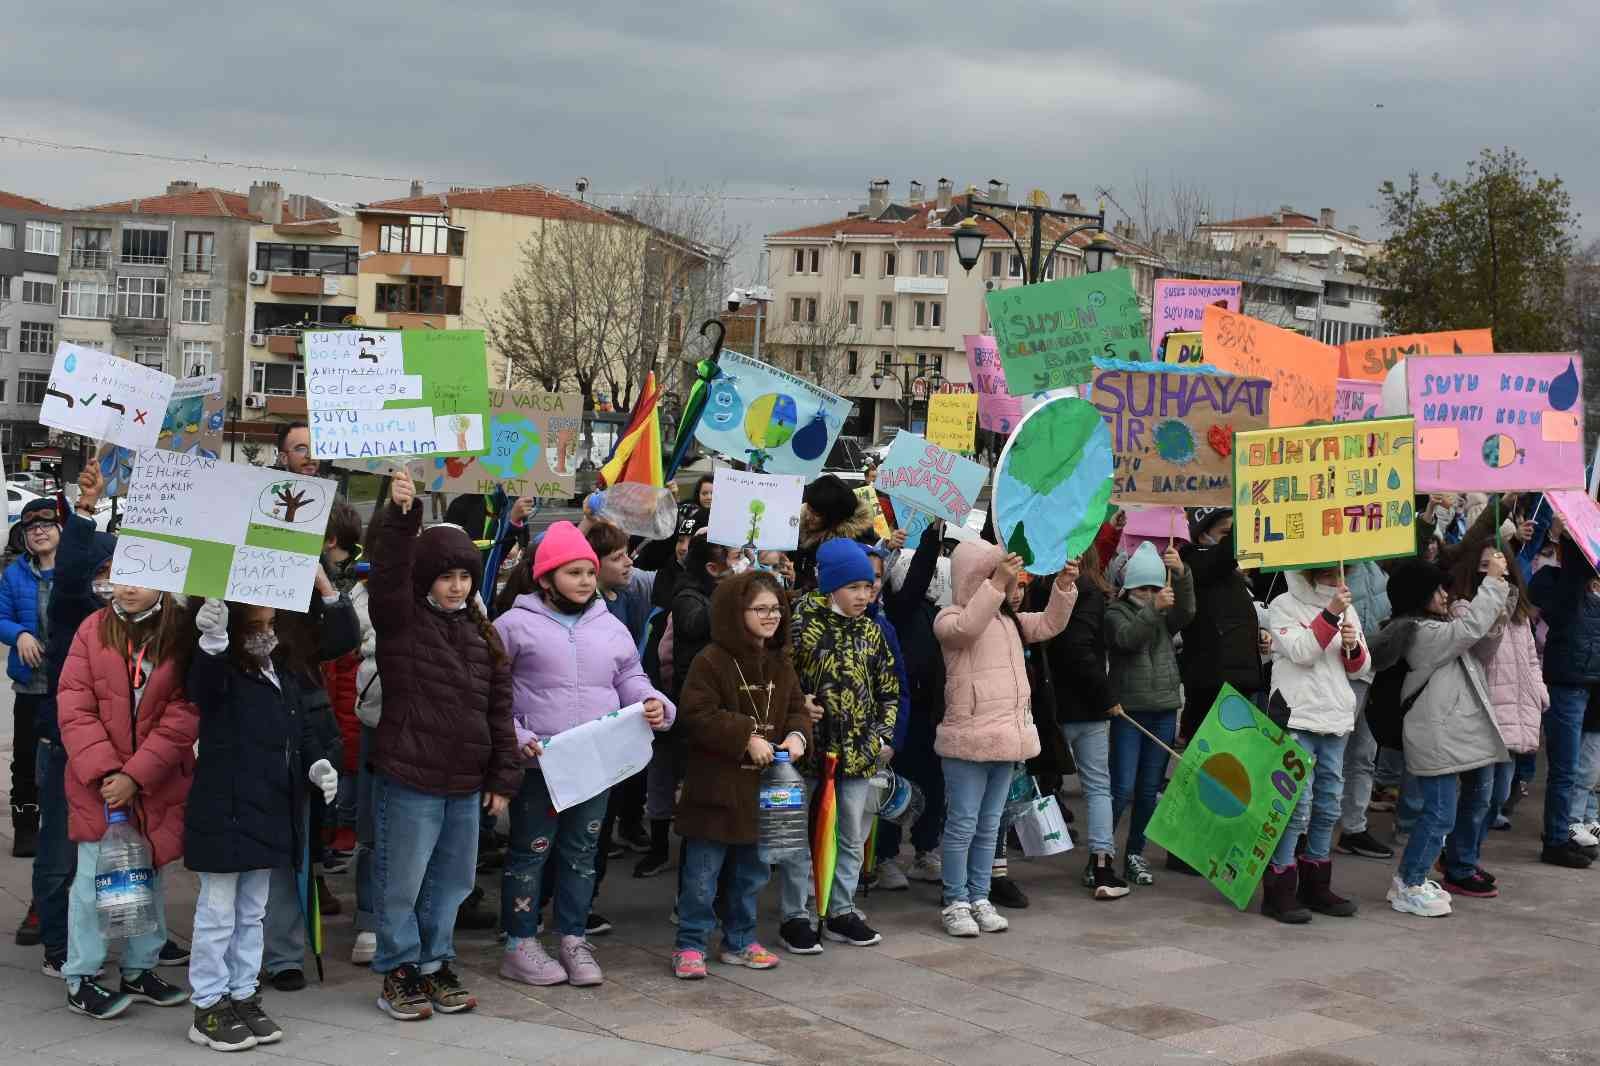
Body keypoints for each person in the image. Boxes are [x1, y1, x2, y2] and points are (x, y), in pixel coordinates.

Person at [367, 472, 522, 1020]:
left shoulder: (484, 633)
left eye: (464, 577)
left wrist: (503, 777)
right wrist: (400, 516)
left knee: (452, 882)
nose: (456, 587)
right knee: (402, 880)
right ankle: (399, 970)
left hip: (466, 782)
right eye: (445, 577)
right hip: (410, 776)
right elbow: (388, 574)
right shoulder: (402, 620)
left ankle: (435, 963)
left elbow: (499, 711)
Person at [494, 522, 672, 988]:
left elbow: (630, 677)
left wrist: (652, 702)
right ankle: (519, 942)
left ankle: (572, 938)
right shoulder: (511, 626)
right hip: (539, 766)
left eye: (589, 572)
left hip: (594, 765)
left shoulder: (609, 625)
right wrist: (515, 734)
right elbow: (491, 692)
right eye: (573, 573)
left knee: (581, 853)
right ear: (545, 578)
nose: (585, 581)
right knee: (530, 852)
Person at [183, 597, 339, 1051]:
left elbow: (298, 727)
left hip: (269, 806)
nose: (267, 614)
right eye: (256, 611)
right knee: (218, 912)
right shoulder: (221, 662)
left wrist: (316, 764)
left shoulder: (278, 664)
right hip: (226, 808)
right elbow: (204, 692)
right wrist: (212, 643)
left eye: (270, 613)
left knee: (252, 912)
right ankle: (208, 1004)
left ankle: (243, 993)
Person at [56, 581, 197, 1019]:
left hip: (155, 782)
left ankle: (140, 969)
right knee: (92, 882)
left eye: (142, 578)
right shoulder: (93, 628)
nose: (129, 588)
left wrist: (137, 775)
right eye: (122, 577)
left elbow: (185, 712)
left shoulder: (180, 632)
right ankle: (81, 976)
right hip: (97, 783)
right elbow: (74, 706)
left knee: (148, 876)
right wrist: (109, 773)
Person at [671, 571, 812, 978]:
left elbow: (796, 708)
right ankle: (691, 944)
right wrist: (745, 736)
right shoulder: (711, 660)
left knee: (752, 874)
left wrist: (798, 735)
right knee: (703, 876)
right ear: (736, 613)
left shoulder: (780, 662)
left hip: (763, 791)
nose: (771, 616)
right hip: (715, 791)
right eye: (760, 609)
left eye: (776, 608)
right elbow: (696, 714)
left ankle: (740, 940)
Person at [933, 542, 1076, 936]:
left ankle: (980, 896)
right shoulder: (950, 617)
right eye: (991, 575)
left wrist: (1064, 585)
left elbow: (1050, 623)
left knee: (989, 824)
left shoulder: (1010, 622)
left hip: (1007, 741)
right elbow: (966, 630)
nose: (1008, 585)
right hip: (966, 740)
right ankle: (955, 900)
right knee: (962, 824)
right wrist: (996, 583)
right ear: (971, 578)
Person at [1375, 553, 1510, 917]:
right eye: (1437, 589)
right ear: (1418, 595)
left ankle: (1419, 877)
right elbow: (1466, 632)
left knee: (1453, 809)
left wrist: (1497, 605)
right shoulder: (1418, 633)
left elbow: (1479, 644)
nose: (1445, 595)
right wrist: (1491, 584)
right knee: (1439, 815)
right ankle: (1409, 883)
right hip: (1436, 737)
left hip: (1455, 733)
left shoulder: (1438, 626)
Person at [23, 469, 119, 973]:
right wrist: (84, 512)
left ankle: (132, 939)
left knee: (121, 851)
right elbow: (72, 567)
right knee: (61, 849)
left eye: (116, 571)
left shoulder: (131, 617)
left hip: (121, 750)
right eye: (101, 571)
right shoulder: (70, 607)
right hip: (67, 744)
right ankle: (58, 946)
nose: (110, 581)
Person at [783, 538, 899, 950]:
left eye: (868, 587)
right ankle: (796, 914)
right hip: (808, 754)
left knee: (851, 835)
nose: (864, 595)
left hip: (858, 755)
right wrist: (800, 705)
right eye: (854, 587)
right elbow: (781, 677)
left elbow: (888, 690)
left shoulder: (872, 631)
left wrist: (881, 736)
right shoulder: (800, 623)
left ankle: (841, 911)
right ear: (831, 586)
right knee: (800, 836)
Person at [1260, 567, 1371, 923]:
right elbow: (1302, 652)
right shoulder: (1283, 604)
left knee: (1328, 804)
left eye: (1340, 572)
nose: (1336, 579)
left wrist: (1353, 647)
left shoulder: (1347, 607)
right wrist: (1332, 613)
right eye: (1326, 573)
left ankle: (1316, 885)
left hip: (1335, 717)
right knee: (1297, 806)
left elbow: (1360, 669)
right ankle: (1279, 888)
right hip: (1296, 716)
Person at [1448, 541, 1545, 893]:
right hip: (1483, 713)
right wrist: (1494, 599)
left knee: (1499, 795)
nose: (1491, 569)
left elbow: (1531, 658)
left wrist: (1539, 693)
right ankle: (1460, 864)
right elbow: (1480, 648)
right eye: (1484, 565)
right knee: (1479, 795)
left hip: (1514, 712)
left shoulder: (1518, 611)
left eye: (1497, 563)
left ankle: (1463, 855)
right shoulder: (1464, 607)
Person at [635, 535, 734, 878]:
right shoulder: (687, 596)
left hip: (703, 704)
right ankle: (661, 848)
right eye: (734, 557)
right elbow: (695, 626)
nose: (739, 563)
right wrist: (730, 594)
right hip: (676, 703)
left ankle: (695, 854)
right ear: (711, 567)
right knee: (665, 777)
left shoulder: (710, 590)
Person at [1103, 540, 1194, 887]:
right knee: (1121, 787)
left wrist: (1181, 575)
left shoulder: (1162, 613)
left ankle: (1135, 853)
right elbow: (1128, 639)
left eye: (1156, 587)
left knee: (1148, 789)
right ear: (1129, 587)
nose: (1151, 593)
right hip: (1129, 712)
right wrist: (1154, 608)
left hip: (1164, 708)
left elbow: (1187, 612)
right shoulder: (1115, 613)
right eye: (1143, 587)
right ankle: (1102, 853)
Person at [1044, 544, 1129, 899]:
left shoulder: (1043, 587)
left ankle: (994, 866)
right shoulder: (1089, 592)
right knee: (1097, 786)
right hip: (1086, 705)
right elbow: (1079, 650)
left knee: (1023, 785)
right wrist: (1106, 696)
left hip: (1050, 702)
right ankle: (1102, 865)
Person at [876, 523, 950, 889]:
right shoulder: (897, 608)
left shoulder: (938, 612)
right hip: (901, 714)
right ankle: (885, 857)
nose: (932, 579)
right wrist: (931, 536)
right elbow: (918, 575)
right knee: (894, 783)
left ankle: (925, 851)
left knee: (933, 784)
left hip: (932, 712)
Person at [1529, 533, 1600, 868]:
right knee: (1564, 769)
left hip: (1591, 685)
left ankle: (1566, 831)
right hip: (1567, 685)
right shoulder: (1556, 582)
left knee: (1581, 768)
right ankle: (1556, 840)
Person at [3, 496, 60, 858]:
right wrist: (19, 634)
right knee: (25, 760)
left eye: (46, 524)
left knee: (69, 757)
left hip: (71, 686)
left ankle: (66, 825)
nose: (39, 531)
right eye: (31, 527)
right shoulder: (15, 574)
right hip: (30, 686)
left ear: (60, 529)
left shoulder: (77, 571)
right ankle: (25, 827)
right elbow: (1, 616)